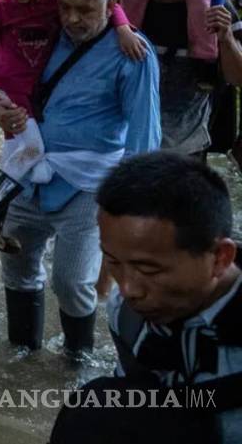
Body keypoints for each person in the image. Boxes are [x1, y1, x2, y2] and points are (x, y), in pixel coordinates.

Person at [0, 0, 160, 356]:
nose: (73, 18)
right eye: (66, 7)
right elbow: (0, 80)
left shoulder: (130, 52)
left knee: (71, 281)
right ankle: (21, 354)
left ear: (110, 5)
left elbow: (143, 135)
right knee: (16, 266)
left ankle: (76, 363)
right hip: (28, 173)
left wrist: (133, 206)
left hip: (88, 185)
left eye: (86, 10)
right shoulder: (42, 32)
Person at [0, 0, 144, 252]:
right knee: (31, 148)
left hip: (29, 92)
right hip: (5, 87)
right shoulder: (2, 9)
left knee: (19, 147)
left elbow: (104, 0)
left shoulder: (55, 4)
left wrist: (122, 27)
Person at [95, 151, 240, 441]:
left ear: (220, 258)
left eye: (148, 269)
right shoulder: (126, 313)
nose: (128, 290)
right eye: (113, 261)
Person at [120, 0, 242, 155]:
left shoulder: (217, 10)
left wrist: (225, 38)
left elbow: (237, 77)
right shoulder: (131, 5)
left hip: (186, 144)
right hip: (130, 141)